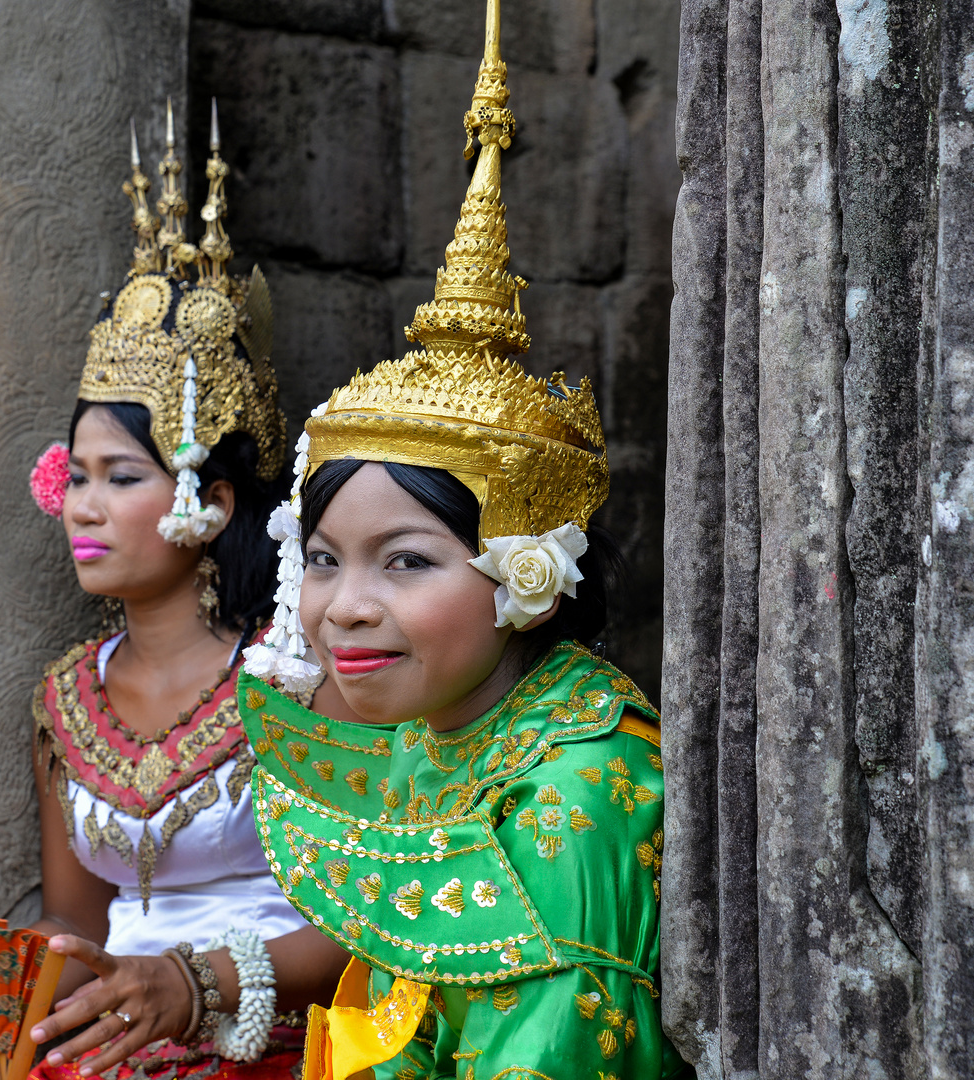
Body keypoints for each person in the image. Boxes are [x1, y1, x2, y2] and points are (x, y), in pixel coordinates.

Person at [236, 5, 693, 1076]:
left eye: (405, 560)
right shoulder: (434, 729)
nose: (342, 605)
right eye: (321, 558)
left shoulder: (571, 797)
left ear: (523, 577)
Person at [22, 104, 355, 1080]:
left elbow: (376, 915)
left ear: (205, 499)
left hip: (277, 1043)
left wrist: (200, 986)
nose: (84, 506)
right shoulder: (61, 700)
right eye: (74, 474)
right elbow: (72, 923)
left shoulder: (304, 671)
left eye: (120, 477)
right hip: (108, 1042)